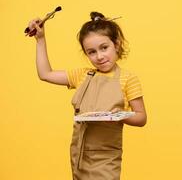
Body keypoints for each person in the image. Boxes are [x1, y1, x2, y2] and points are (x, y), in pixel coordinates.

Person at [28, 11, 147, 180]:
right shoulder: (83, 75)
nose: (99, 56)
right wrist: (40, 39)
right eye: (91, 52)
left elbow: (141, 118)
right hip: (79, 155)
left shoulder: (128, 79)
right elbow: (45, 74)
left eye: (104, 48)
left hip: (106, 158)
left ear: (117, 45)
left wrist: (119, 116)